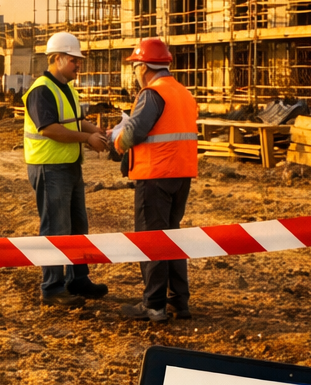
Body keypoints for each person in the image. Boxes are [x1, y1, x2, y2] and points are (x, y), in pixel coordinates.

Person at [111, 37, 199, 322]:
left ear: (143, 66)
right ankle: (178, 302)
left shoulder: (152, 93)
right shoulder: (182, 92)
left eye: (135, 66)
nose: (135, 72)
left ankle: (153, 304)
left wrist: (116, 142)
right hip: (180, 174)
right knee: (172, 237)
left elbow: (135, 131)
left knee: (152, 239)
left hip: (155, 175)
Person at [23, 31, 110, 308]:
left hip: (69, 165)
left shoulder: (67, 88)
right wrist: (88, 139)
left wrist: (96, 130)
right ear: (57, 58)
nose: (78, 65)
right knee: (55, 227)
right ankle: (52, 287)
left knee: (76, 226)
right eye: (74, 60)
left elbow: (76, 120)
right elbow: (50, 129)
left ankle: (77, 279)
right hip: (49, 166)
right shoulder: (41, 90)